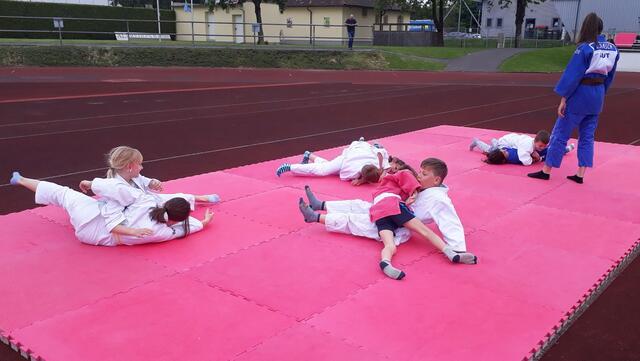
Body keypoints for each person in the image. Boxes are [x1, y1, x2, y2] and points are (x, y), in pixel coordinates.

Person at [299, 158, 477, 280]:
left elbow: (450, 221)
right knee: (359, 205)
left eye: (424, 174)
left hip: (401, 221)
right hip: (393, 206)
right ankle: (321, 205)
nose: (419, 176)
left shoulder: (440, 199)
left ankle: (316, 216)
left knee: (357, 221)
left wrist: (458, 247)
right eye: (420, 172)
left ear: (436, 179)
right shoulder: (424, 188)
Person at [528, 13, 619, 184]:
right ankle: (580, 174)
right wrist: (601, 92)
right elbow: (611, 76)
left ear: (586, 28)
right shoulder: (613, 49)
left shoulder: (585, 48)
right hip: (597, 94)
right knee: (587, 136)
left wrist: (564, 98)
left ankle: (547, 170)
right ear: (600, 28)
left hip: (580, 94)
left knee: (560, 133)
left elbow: (572, 76)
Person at [9, 172, 213, 246]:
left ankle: (21, 179)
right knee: (115, 201)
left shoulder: (147, 202)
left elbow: (113, 188)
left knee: (63, 194)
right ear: (177, 220)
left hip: (94, 215)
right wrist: (202, 224)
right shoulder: (162, 233)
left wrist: (90, 183)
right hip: (93, 236)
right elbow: (183, 229)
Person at [79, 146, 219, 230]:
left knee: (177, 197)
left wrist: (152, 182)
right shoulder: (113, 185)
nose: (142, 167)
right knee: (165, 215)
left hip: (151, 199)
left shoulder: (134, 176)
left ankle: (199, 198)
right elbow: (102, 186)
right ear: (129, 167)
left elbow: (145, 180)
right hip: (138, 210)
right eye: (140, 164)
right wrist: (90, 183)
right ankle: (189, 215)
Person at [276, 137, 390, 186]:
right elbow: (343, 176)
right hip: (347, 158)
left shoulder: (378, 162)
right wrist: (361, 181)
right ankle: (290, 167)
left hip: (359, 148)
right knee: (324, 170)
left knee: (329, 166)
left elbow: (382, 153)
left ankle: (309, 155)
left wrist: (382, 171)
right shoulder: (353, 171)